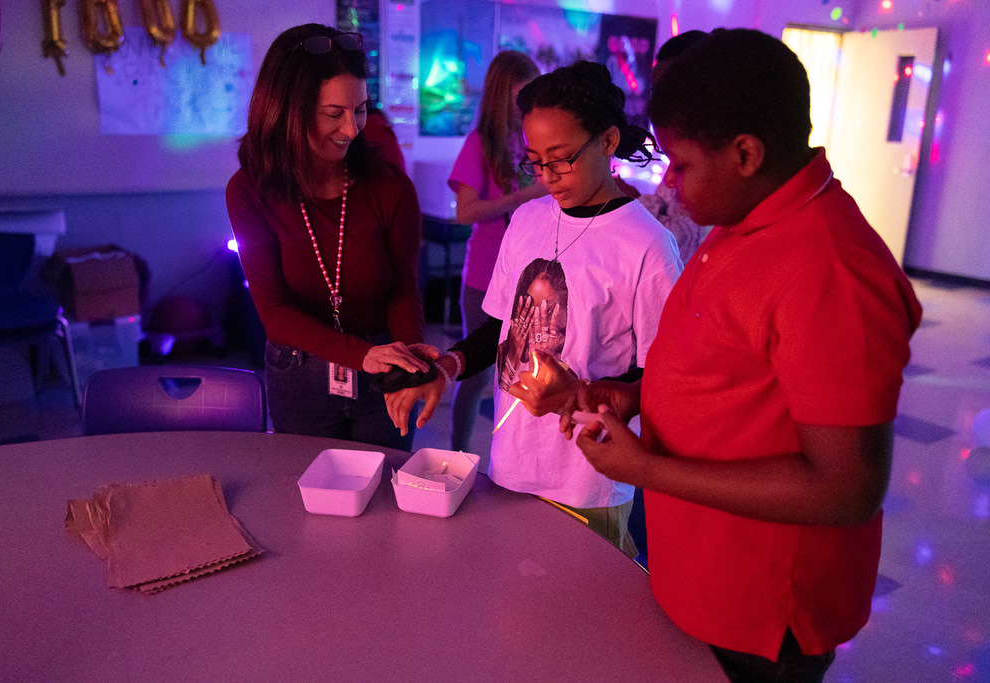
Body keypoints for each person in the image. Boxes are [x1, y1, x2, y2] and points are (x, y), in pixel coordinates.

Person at [511, 29, 923, 682]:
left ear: (746, 154)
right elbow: (727, 371)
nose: (668, 182)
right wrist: (633, 395)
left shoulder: (830, 268)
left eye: (681, 162)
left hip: (760, 614)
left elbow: (846, 486)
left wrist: (645, 466)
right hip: (699, 573)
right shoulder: (746, 223)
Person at [386, 60, 684, 555]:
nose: (547, 177)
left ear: (609, 142)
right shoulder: (526, 220)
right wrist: (448, 366)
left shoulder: (647, 246)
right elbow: (500, 327)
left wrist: (581, 393)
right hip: (510, 466)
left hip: (588, 482)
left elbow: (662, 379)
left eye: (562, 159)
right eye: (534, 161)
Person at [226, 24, 435, 450]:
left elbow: (402, 289)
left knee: (385, 494)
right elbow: (273, 310)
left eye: (360, 109)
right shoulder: (250, 190)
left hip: (384, 362)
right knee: (308, 499)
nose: (353, 128)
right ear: (287, 111)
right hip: (298, 369)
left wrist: (411, 361)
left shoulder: (389, 186)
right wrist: (358, 355)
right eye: (334, 113)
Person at [447, 50, 546, 453]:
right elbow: (465, 212)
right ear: (500, 95)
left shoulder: (531, 141)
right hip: (485, 276)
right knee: (474, 375)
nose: (525, 105)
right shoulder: (480, 142)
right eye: (519, 95)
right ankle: (453, 456)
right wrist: (526, 196)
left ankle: (513, 461)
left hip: (533, 278)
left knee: (526, 374)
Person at [639, 30, 711, 264]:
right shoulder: (683, 147)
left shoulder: (713, 156)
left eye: (667, 93)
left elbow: (677, 247)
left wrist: (625, 204)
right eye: (655, 92)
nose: (657, 103)